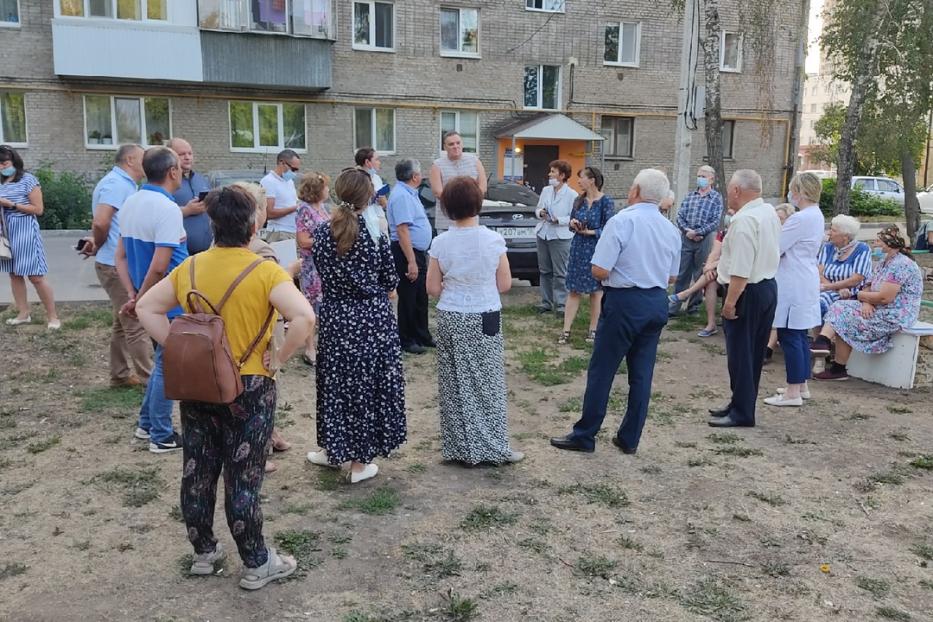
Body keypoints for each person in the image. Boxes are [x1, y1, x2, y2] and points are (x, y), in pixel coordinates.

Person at [135, 184, 315, 591]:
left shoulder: (192, 268)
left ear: (213, 224)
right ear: (253, 225)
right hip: (250, 383)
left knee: (197, 469)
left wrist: (178, 347)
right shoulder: (265, 270)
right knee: (243, 476)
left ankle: (203, 552)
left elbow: (147, 306)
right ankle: (256, 561)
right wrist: (280, 358)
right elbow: (303, 317)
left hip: (200, 381)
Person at [549, 169, 680, 454]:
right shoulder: (670, 228)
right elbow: (672, 277)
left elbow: (600, 269)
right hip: (656, 300)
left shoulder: (622, 221)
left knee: (603, 370)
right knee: (642, 374)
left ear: (635, 191)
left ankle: (585, 434)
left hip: (624, 301)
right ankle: (630, 437)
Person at [305, 168, 406, 484]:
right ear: (369, 197)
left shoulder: (321, 232)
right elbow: (390, 281)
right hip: (371, 318)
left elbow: (320, 270)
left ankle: (332, 448)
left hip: (336, 316)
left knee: (335, 382)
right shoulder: (375, 231)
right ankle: (358, 464)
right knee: (365, 387)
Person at [426, 176, 523, 465]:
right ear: (478, 204)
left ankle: (459, 449)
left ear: (447, 208)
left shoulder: (440, 242)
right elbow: (504, 284)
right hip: (485, 315)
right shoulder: (493, 240)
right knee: (488, 382)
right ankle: (494, 447)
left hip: (452, 314)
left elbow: (432, 288)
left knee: (454, 382)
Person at [114, 146, 188, 452]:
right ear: (171, 171)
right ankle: (161, 434)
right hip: (169, 300)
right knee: (169, 365)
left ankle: (146, 426)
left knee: (162, 361)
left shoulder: (131, 201)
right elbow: (160, 265)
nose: (183, 171)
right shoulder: (167, 208)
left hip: (147, 297)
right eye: (180, 168)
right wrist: (142, 300)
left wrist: (132, 294)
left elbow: (119, 256)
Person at [232, 181, 300, 474]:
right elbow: (271, 287)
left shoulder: (221, 244)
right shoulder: (261, 249)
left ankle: (271, 434)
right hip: (261, 328)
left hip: (235, 326)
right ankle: (257, 451)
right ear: (256, 212)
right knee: (264, 387)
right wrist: (290, 271)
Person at [708, 170, 781, 428]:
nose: (727, 193)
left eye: (729, 188)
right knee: (752, 352)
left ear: (738, 190)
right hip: (767, 286)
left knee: (740, 354)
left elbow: (741, 267)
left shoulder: (744, 220)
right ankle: (740, 402)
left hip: (746, 290)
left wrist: (729, 303)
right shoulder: (768, 212)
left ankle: (742, 412)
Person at [811, 225, 923, 380]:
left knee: (843, 313)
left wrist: (861, 297)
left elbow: (885, 297)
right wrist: (866, 302)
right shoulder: (885, 261)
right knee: (840, 306)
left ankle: (828, 351)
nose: (876, 242)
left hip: (895, 313)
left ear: (891, 243)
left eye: (880, 239)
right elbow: (868, 284)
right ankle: (827, 349)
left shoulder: (901, 264)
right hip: (878, 307)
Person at [87, 144, 153, 387]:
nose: (147, 163)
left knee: (121, 321)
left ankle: (120, 374)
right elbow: (101, 221)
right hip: (114, 264)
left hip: (115, 260)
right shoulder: (117, 184)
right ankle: (150, 378)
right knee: (134, 321)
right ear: (129, 160)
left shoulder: (123, 184)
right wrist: (99, 244)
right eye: (142, 158)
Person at [763, 174, 825, 407]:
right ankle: (801, 384)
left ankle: (792, 392)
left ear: (800, 191)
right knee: (798, 335)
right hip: (803, 278)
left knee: (790, 335)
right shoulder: (816, 215)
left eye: (792, 190)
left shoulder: (800, 218)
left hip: (793, 281)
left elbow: (776, 246)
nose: (791, 194)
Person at [0, 144, 60, 329]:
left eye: (5, 163)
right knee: (14, 273)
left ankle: (53, 317)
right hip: (6, 231)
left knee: (36, 276)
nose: (2, 167)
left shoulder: (28, 180)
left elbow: (38, 209)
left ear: (14, 161)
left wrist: (12, 204)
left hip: (25, 230)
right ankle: (23, 313)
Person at [559, 166, 615, 344]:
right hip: (578, 248)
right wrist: (574, 223)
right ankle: (566, 330)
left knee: (596, 291)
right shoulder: (579, 200)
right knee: (574, 289)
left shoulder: (606, 202)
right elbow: (571, 222)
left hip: (597, 249)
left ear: (592, 180)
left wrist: (591, 232)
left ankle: (593, 330)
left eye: (581, 177)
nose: (579, 181)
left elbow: (609, 227)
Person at [388, 159, 434, 354]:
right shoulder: (401, 196)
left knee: (420, 296)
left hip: (417, 251)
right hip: (406, 251)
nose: (422, 175)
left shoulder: (409, 193)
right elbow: (402, 230)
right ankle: (406, 339)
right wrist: (412, 261)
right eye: (420, 172)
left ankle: (421, 334)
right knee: (408, 296)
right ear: (414, 176)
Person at [669, 165, 724, 316]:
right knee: (682, 272)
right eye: (699, 176)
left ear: (711, 179)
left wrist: (699, 232)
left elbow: (715, 221)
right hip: (687, 238)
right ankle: (674, 306)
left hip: (705, 239)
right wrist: (687, 231)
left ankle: (693, 307)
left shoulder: (716, 198)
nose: (700, 179)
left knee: (700, 273)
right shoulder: (690, 196)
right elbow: (680, 216)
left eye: (704, 176)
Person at [295, 171, 331, 365]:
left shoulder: (323, 208)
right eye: (325, 186)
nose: (327, 190)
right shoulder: (305, 210)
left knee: (324, 307)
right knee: (310, 308)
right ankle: (309, 348)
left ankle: (323, 345)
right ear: (317, 189)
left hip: (326, 265)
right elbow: (303, 240)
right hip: (312, 267)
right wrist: (326, 240)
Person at [534, 159, 577, 314]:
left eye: (553, 171)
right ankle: (546, 302)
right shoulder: (546, 190)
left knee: (560, 272)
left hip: (560, 236)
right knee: (545, 270)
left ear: (562, 175)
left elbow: (573, 217)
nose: (549, 174)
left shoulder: (572, 194)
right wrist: (541, 213)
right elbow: (538, 208)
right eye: (550, 171)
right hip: (544, 234)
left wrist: (558, 220)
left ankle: (561, 305)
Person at [430, 131, 487, 232]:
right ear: (444, 147)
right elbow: (438, 192)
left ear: (462, 144)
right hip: (446, 223)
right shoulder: (437, 165)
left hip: (470, 222)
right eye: (451, 144)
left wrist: (471, 202)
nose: (455, 146)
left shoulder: (475, 161)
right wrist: (459, 205)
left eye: (458, 143)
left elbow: (482, 187)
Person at [818, 215, 872, 318]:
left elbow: (856, 279)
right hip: (830, 289)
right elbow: (819, 273)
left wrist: (831, 287)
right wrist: (836, 288)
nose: (828, 233)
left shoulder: (862, 249)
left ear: (845, 236)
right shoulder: (827, 247)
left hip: (851, 293)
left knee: (819, 303)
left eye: (833, 230)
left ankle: (822, 333)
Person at [764, 202, 798, 361]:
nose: (777, 221)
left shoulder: (790, 236)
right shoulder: (770, 233)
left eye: (781, 218)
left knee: (780, 306)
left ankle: (769, 346)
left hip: (787, 276)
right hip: (770, 274)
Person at [167, 138, 212, 254]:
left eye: (190, 153)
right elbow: (158, 213)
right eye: (181, 154)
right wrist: (187, 210)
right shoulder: (165, 182)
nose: (187, 157)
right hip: (178, 254)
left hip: (206, 253)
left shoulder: (201, 179)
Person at [260, 149, 301, 243]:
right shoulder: (268, 181)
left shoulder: (289, 181)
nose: (295, 173)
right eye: (293, 169)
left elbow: (293, 203)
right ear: (282, 163)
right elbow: (269, 213)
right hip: (277, 232)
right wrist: (294, 208)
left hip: (292, 231)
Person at [355, 147, 389, 241]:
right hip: (367, 224)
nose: (379, 162)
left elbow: (384, 202)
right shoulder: (356, 180)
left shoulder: (377, 178)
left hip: (380, 221)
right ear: (367, 162)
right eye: (377, 159)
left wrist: (382, 200)